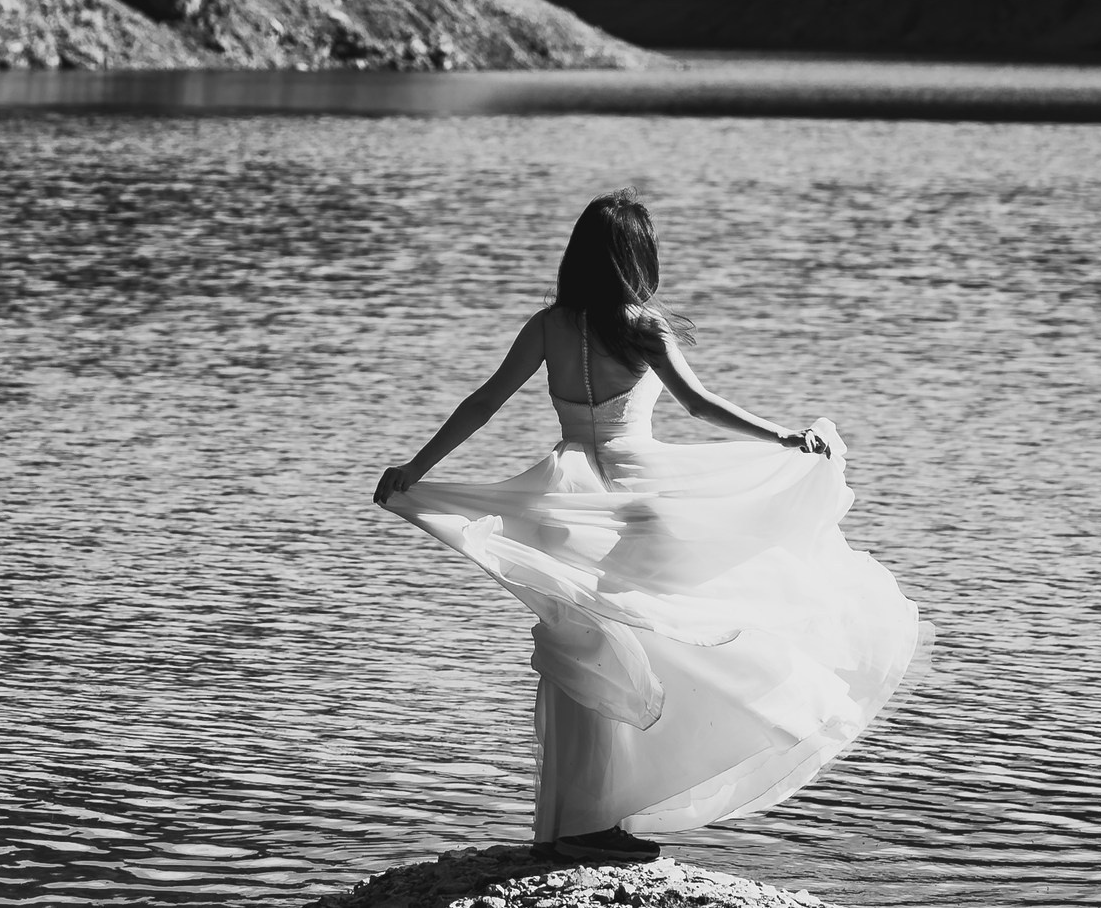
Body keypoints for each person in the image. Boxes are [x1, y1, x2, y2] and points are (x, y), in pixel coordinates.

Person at [374, 190, 922, 864]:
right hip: (639, 504)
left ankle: (583, 819)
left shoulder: (548, 325)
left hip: (565, 504)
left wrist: (416, 465)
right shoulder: (644, 326)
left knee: (582, 658)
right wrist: (782, 435)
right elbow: (697, 403)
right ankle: (606, 816)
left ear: (578, 254)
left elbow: (485, 399)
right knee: (662, 645)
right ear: (638, 256)